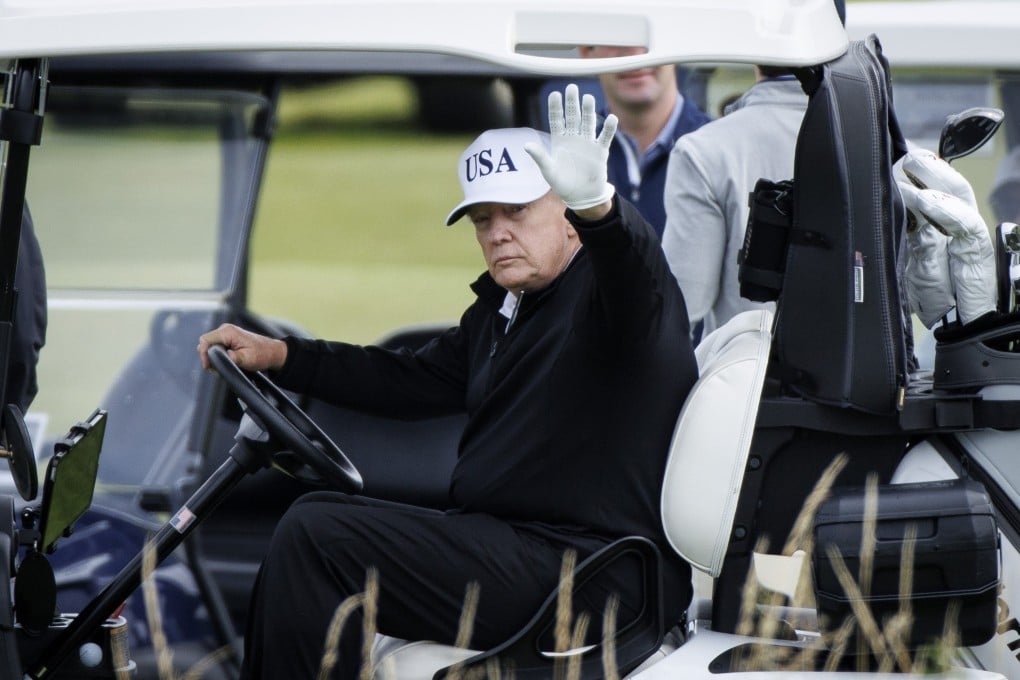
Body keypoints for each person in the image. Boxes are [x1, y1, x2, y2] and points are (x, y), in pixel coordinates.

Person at [198, 84, 698, 679]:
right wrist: (282, 355)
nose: (497, 233)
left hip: (593, 575)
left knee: (316, 536)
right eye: (483, 220)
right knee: (319, 517)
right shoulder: (508, 309)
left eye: (517, 211)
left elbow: (635, 275)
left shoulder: (613, 299)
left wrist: (601, 210)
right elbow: (407, 378)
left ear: (566, 215)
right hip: (521, 551)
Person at [661, 0, 845, 342]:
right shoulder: (888, 148)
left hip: (748, 374)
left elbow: (678, 313)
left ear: (754, 38)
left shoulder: (704, 151)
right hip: (867, 377)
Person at [542, 50, 711, 238]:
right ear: (586, 51)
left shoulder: (718, 148)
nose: (635, 53)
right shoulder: (564, 157)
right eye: (619, 38)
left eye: (648, 40)